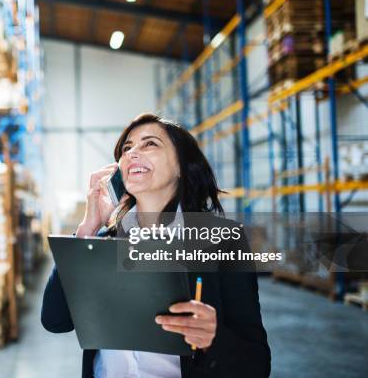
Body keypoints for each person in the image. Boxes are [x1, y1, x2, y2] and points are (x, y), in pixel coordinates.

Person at [41, 113, 271, 378]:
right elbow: (55, 321)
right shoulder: (101, 240)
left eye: (150, 144)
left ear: (181, 167)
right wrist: (87, 230)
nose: (132, 153)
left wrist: (213, 339)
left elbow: (257, 365)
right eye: (127, 148)